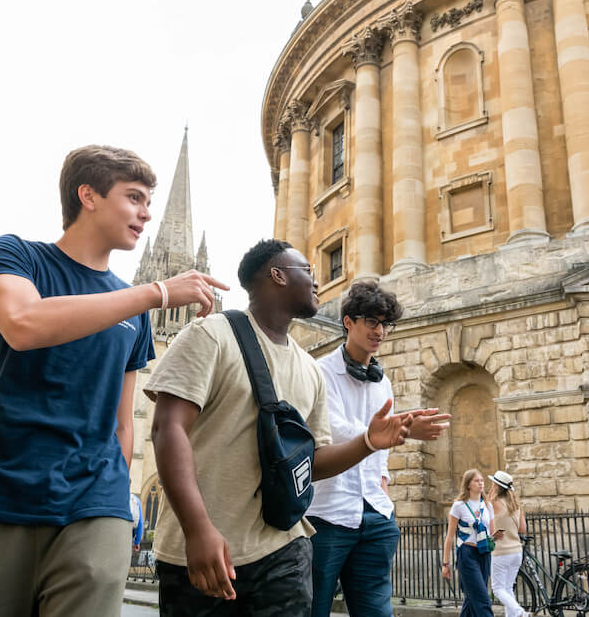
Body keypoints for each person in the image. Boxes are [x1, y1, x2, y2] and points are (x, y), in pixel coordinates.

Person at [0, 145, 228, 617]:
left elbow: (125, 425)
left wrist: (118, 504)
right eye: (134, 197)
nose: (145, 213)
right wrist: (155, 293)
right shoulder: (17, 255)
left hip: (93, 507)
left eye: (149, 203)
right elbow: (23, 323)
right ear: (89, 195)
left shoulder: (134, 309)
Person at [146, 239, 417, 616]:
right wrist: (197, 529)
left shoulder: (309, 369)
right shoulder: (209, 335)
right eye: (306, 270)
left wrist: (368, 442)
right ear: (277, 274)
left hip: (284, 552)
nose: (317, 281)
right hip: (206, 553)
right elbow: (167, 429)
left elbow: (315, 460)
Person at [306, 281, 451, 617]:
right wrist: (391, 430)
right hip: (326, 517)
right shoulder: (320, 372)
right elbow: (333, 431)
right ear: (348, 322)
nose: (380, 331)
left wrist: (383, 489)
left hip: (376, 518)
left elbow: (381, 451)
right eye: (371, 321)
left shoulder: (382, 382)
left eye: (386, 323)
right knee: (312, 610)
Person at [442, 470, 494, 617]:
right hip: (467, 554)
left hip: (484, 553)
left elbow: (492, 533)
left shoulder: (487, 506)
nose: (481, 483)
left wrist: (497, 537)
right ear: (468, 484)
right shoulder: (459, 505)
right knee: (483, 599)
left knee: (472, 600)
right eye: (477, 481)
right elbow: (450, 537)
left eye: (482, 480)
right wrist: (446, 564)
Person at [487, 471, 528, 617]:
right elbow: (522, 529)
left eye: (493, 484)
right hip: (517, 551)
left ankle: (520, 612)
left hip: (501, 552)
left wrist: (490, 494)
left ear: (497, 486)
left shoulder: (493, 502)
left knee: (498, 589)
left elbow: (481, 513)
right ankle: (515, 614)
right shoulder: (516, 505)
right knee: (508, 588)